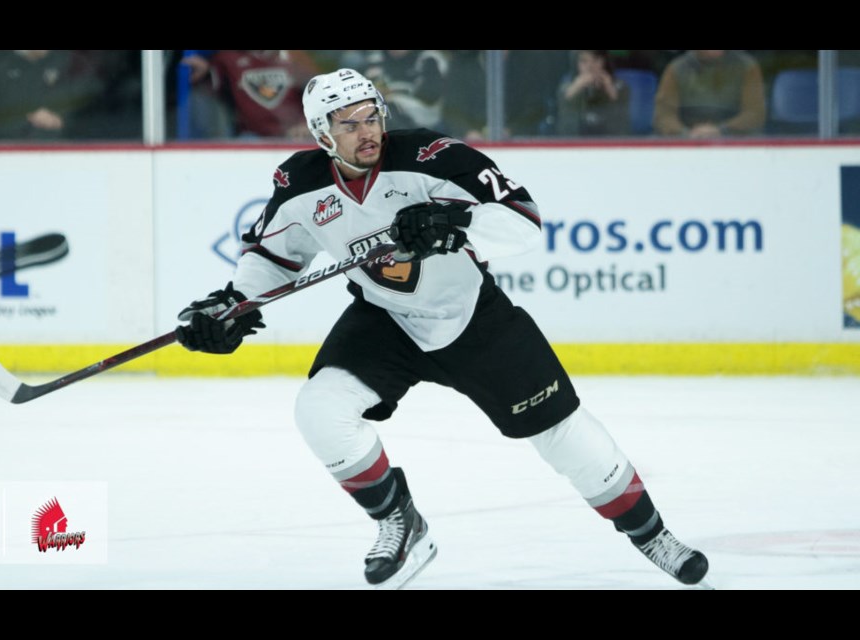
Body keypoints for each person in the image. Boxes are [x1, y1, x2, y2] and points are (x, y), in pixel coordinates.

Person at [174, 68, 710, 589]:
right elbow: (273, 256)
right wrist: (234, 305)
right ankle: (401, 524)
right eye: (349, 124)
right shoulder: (301, 184)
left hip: (473, 317)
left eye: (371, 117)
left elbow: (524, 220)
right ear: (321, 134)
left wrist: (455, 222)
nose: (367, 132)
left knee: (563, 435)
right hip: (384, 320)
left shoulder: (432, 157)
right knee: (318, 409)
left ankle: (654, 536)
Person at [653, 50, 766, 138]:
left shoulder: (747, 67)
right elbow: (663, 116)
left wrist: (720, 130)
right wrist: (686, 134)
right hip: (685, 146)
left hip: (735, 145)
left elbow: (754, 114)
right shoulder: (676, 69)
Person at [556, 50, 631, 136]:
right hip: (578, 142)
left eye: (596, 60)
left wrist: (609, 88)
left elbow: (622, 121)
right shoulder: (567, 86)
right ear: (576, 64)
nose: (590, 66)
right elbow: (563, 121)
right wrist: (576, 87)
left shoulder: (620, 86)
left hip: (609, 141)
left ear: (604, 62)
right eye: (584, 61)